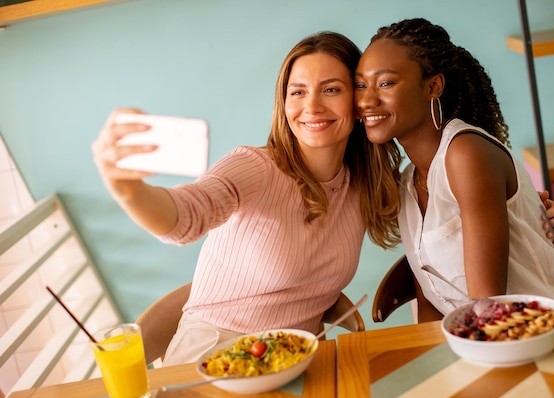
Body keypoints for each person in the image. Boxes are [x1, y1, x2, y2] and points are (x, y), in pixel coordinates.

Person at [91, 32, 403, 365]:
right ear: (284, 105)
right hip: (213, 359)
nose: (311, 106)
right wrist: (128, 189)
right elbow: (186, 217)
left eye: (331, 89)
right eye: (297, 92)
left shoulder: (362, 184)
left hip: (294, 365)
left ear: (357, 103)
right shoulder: (254, 167)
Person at [354, 18, 554, 322]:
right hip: (475, 341)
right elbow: (431, 303)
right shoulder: (408, 184)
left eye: (386, 83)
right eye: (361, 85)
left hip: (546, 335)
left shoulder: (465, 154)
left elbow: (488, 306)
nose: (366, 99)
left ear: (433, 86)